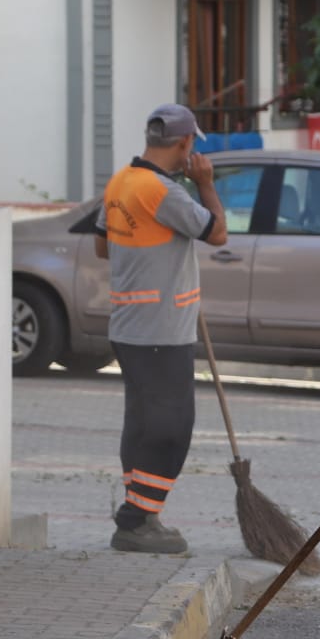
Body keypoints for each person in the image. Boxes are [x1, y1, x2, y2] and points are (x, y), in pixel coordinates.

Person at [94, 104, 228, 555]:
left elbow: (101, 244)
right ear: (186, 144)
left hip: (129, 326)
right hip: (162, 330)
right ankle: (135, 522)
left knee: (142, 424)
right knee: (172, 427)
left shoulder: (122, 182)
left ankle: (142, 514)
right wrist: (205, 185)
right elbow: (217, 233)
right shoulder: (164, 192)